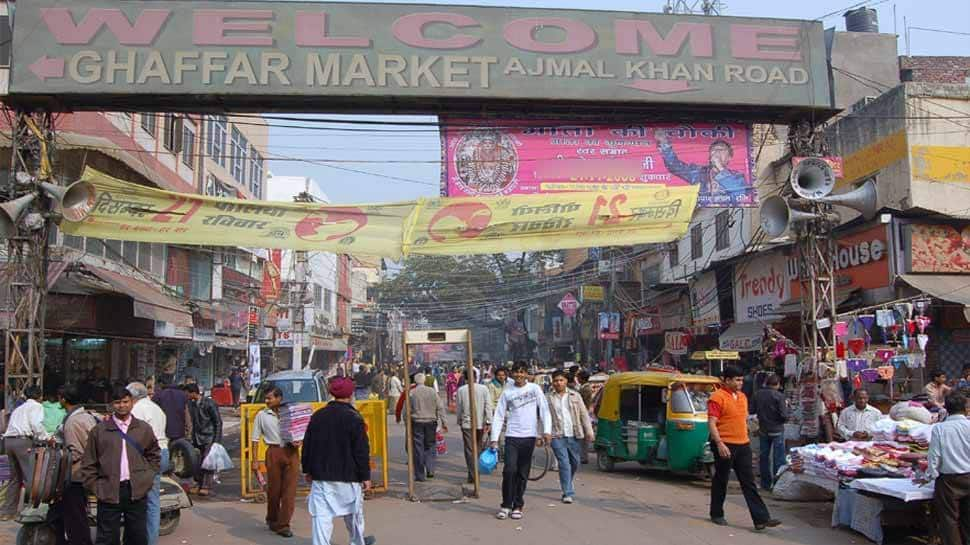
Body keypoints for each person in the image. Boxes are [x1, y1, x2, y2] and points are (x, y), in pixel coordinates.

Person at [80, 384, 161, 545]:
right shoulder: (100, 431)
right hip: (109, 490)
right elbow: (89, 462)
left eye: (125, 402)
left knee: (136, 535)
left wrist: (147, 478)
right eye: (118, 402)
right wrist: (97, 487)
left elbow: (154, 455)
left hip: (136, 490)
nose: (122, 406)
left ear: (132, 402)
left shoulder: (143, 429)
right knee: (107, 537)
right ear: (111, 405)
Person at [302, 377, 376, 545]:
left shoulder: (318, 416)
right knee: (353, 514)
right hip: (348, 476)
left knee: (321, 517)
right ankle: (357, 542)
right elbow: (361, 451)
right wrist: (365, 476)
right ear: (351, 395)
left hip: (321, 476)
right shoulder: (354, 418)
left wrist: (307, 470)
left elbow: (308, 445)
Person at [708, 366, 780, 531]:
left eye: (741, 379)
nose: (740, 383)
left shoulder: (742, 397)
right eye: (737, 380)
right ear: (727, 380)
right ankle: (716, 513)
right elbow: (711, 422)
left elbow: (743, 419)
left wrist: (750, 436)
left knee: (749, 482)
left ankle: (761, 519)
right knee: (721, 479)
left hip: (743, 443)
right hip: (724, 443)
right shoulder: (717, 397)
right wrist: (719, 443)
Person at [489, 362, 551, 521]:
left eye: (522, 372)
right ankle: (505, 505)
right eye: (516, 372)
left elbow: (544, 409)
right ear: (512, 374)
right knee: (509, 470)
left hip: (529, 436)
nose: (519, 375)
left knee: (523, 473)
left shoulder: (534, 389)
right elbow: (499, 415)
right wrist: (494, 439)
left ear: (526, 374)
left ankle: (518, 505)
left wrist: (546, 431)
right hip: (512, 436)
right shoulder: (507, 392)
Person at [252, 386, 300, 537]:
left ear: (279, 398)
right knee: (274, 490)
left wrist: (299, 441)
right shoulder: (261, 415)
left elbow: (300, 430)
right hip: (273, 452)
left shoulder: (291, 412)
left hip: (291, 452)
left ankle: (284, 524)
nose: (267, 401)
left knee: (289, 491)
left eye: (270, 398)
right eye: (266, 398)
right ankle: (272, 518)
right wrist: (254, 461)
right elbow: (255, 439)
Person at [923, 393, 970, 545]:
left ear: (946, 410)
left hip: (949, 481)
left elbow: (934, 457)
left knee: (949, 520)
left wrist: (929, 476)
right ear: (965, 409)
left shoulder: (939, 429)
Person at [57, 385, 100, 545]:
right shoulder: (86, 416)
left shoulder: (73, 422)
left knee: (75, 515)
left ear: (63, 399)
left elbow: (75, 452)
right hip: (87, 471)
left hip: (77, 474)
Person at [1, 385, 51, 521]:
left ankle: (7, 511)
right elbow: (36, 425)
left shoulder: (19, 408)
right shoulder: (36, 407)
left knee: (15, 478)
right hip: (22, 441)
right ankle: (30, 509)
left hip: (9, 441)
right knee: (31, 476)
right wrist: (47, 438)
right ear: (39, 396)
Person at [127, 382, 168, 545]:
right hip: (163, 451)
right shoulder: (156, 408)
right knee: (152, 500)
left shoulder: (137, 409)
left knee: (139, 500)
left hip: (147, 454)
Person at [546, 370, 594, 504]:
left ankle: (568, 481)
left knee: (574, 462)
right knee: (564, 463)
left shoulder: (575, 395)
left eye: (561, 380)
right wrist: (543, 433)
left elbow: (584, 414)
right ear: (552, 382)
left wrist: (589, 431)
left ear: (566, 381)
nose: (558, 383)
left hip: (574, 434)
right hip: (556, 434)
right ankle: (567, 492)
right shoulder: (548, 397)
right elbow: (543, 417)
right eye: (556, 380)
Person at [655, 129, 747, 198]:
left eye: (721, 149)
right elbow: (674, 166)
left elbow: (739, 193)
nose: (717, 152)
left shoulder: (737, 176)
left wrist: (720, 167)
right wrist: (664, 143)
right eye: (714, 150)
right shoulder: (698, 172)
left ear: (729, 157)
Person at [456, 369, 493, 483]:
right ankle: (474, 471)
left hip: (467, 424)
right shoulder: (483, 389)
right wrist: (489, 421)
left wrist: (459, 420)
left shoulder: (461, 390)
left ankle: (473, 473)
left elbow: (459, 408)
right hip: (480, 423)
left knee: (469, 449)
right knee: (478, 447)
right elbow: (488, 406)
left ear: (465, 378)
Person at [409, 373, 447, 482]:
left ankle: (420, 475)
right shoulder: (432, 392)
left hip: (417, 422)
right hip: (431, 422)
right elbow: (440, 407)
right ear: (424, 380)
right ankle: (430, 470)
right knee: (430, 445)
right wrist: (444, 422)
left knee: (418, 448)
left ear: (415, 382)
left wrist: (407, 422)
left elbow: (406, 410)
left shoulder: (412, 393)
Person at [187, 383, 222, 497]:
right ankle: (199, 484)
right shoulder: (191, 404)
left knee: (208, 462)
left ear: (193, 392)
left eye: (187, 393)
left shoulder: (209, 403)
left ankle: (205, 486)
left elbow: (217, 422)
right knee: (197, 462)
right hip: (197, 437)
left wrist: (216, 440)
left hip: (208, 437)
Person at [753, 375, 788, 490]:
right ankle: (777, 483)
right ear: (777, 384)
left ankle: (765, 483)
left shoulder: (758, 394)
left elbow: (752, 410)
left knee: (764, 457)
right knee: (779, 458)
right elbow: (784, 415)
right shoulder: (779, 396)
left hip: (763, 429)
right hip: (777, 429)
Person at [153, 378, 192, 444]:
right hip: (179, 432)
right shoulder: (183, 395)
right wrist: (189, 431)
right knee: (177, 452)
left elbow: (154, 414)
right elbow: (187, 415)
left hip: (164, 432)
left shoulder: (158, 395)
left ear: (162, 384)